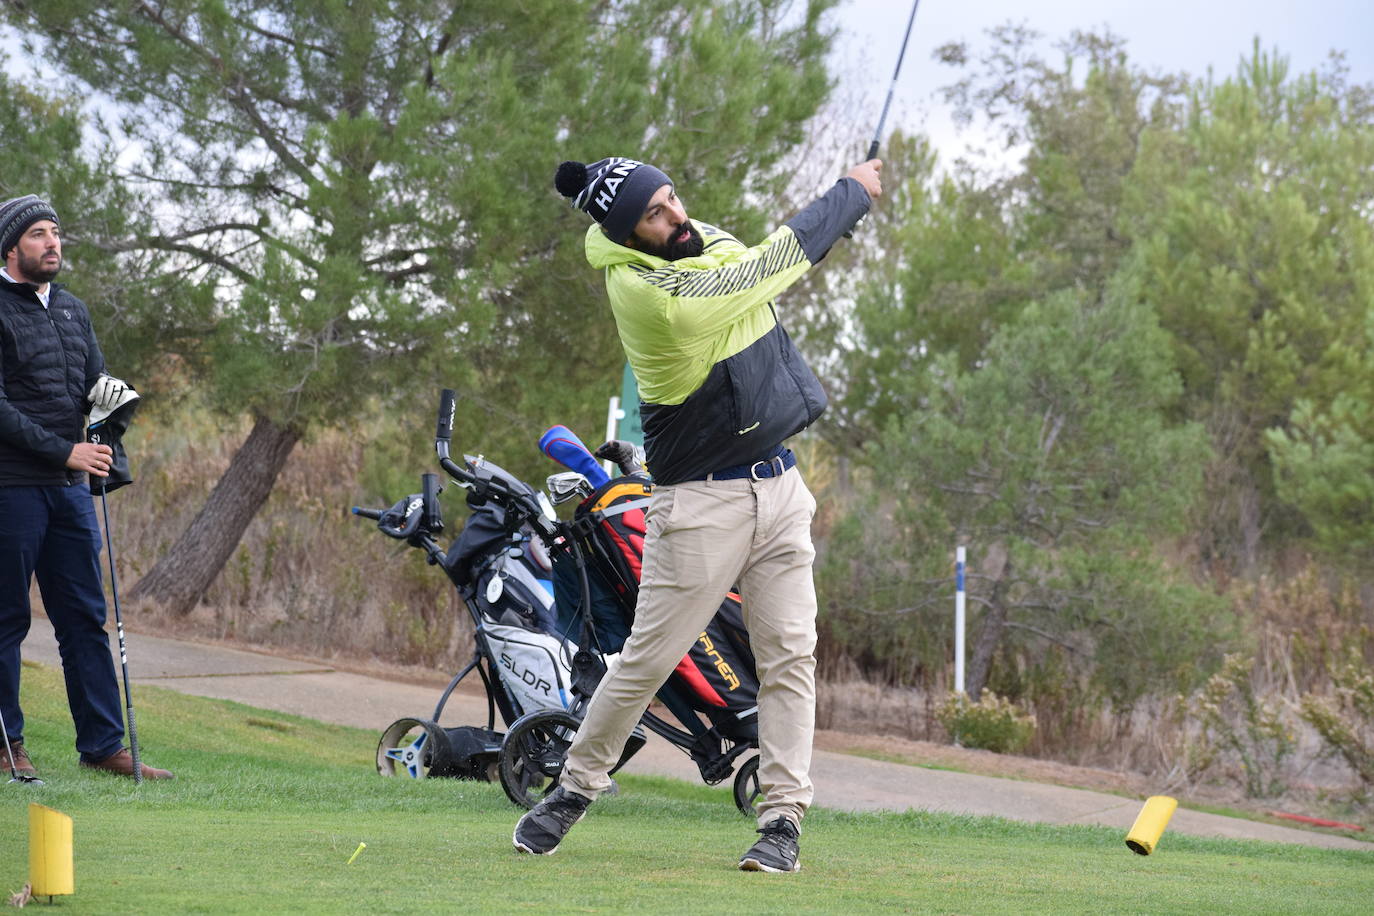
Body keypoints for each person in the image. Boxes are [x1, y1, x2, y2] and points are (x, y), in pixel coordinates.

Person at [513, 157, 881, 871]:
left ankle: (780, 823)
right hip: (701, 503)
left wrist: (808, 239)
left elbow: (760, 264)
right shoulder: (651, 296)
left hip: (778, 487)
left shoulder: (688, 239)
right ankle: (574, 789)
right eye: (653, 214)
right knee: (648, 660)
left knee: (789, 658)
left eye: (672, 198)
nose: (676, 216)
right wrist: (850, 197)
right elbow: (750, 275)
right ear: (626, 236)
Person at [0, 194, 172, 781]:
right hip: (12, 487)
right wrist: (64, 448)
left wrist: (113, 406)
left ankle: (102, 747)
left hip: (69, 490)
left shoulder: (73, 310)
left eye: (56, 233)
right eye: (40, 234)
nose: (53, 243)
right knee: (7, 621)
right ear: (11, 247)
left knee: (82, 617)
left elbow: (92, 382)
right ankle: (6, 745)